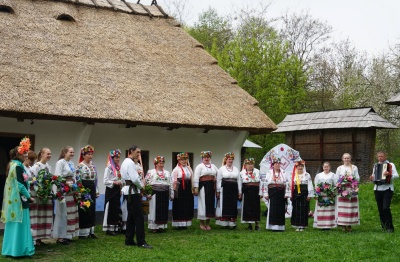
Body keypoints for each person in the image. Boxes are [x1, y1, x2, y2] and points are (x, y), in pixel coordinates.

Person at [1, 137, 35, 258]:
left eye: (26, 152)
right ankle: (19, 250)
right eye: (24, 153)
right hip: (20, 200)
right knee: (20, 224)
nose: (26, 155)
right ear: (18, 154)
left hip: (14, 200)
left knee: (13, 224)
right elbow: (19, 184)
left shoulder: (13, 164)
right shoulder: (18, 166)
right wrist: (29, 196)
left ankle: (11, 249)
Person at [121, 145, 152, 248]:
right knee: (139, 217)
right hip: (133, 192)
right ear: (131, 151)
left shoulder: (125, 162)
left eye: (139, 152)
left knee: (131, 216)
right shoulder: (130, 163)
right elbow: (134, 179)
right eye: (137, 152)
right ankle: (141, 241)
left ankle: (129, 239)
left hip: (128, 191)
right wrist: (142, 187)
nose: (139, 154)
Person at [52, 146, 79, 245]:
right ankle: (60, 236)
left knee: (70, 211)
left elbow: (74, 175)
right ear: (65, 153)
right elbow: (57, 176)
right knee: (63, 211)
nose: (72, 154)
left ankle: (68, 235)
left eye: (73, 152)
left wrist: (75, 183)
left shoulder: (71, 163)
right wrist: (66, 183)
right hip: (63, 189)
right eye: (70, 152)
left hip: (71, 189)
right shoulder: (60, 162)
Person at [369, 151, 399, 233]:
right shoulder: (375, 166)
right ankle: (384, 227)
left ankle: (390, 227)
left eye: (381, 156)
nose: (380, 158)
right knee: (380, 209)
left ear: (385, 156)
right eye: (378, 156)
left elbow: (397, 176)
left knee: (385, 208)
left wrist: (389, 174)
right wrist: (372, 179)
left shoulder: (390, 165)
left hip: (387, 189)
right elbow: (375, 178)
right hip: (377, 189)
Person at [30, 148, 53, 245]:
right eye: (48, 154)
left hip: (46, 194)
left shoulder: (48, 166)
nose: (49, 155)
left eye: (50, 154)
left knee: (43, 216)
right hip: (37, 194)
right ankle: (34, 238)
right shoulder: (36, 166)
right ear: (42, 154)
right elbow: (34, 180)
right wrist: (40, 191)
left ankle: (40, 238)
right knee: (37, 215)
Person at [76, 145, 98, 239]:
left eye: (91, 154)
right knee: (84, 208)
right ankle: (83, 232)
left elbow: (95, 179)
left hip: (92, 187)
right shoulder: (80, 166)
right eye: (88, 154)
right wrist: (80, 190)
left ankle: (91, 231)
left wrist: (96, 190)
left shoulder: (93, 166)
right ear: (84, 155)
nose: (90, 156)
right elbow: (77, 179)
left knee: (92, 208)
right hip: (84, 188)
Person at [145, 156, 172, 233]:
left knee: (163, 209)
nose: (161, 164)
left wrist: (171, 193)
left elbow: (170, 183)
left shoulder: (167, 173)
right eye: (160, 163)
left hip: (164, 193)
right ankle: (154, 227)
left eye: (162, 163)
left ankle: (161, 226)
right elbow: (147, 183)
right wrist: (148, 193)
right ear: (156, 164)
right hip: (154, 193)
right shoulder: (151, 172)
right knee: (154, 209)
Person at [193, 151, 218, 230]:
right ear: (202, 158)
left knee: (210, 204)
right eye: (205, 157)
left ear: (210, 158)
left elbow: (218, 174)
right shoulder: (199, 166)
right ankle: (201, 223)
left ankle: (207, 223)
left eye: (208, 157)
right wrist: (196, 188)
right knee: (203, 204)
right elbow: (196, 177)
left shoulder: (213, 166)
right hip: (203, 187)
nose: (206, 158)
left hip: (211, 187)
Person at [216, 152, 241, 229]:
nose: (230, 161)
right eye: (229, 159)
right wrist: (218, 191)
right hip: (225, 190)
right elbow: (218, 180)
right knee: (225, 205)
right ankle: (224, 223)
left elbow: (239, 181)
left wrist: (239, 192)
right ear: (226, 160)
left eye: (231, 159)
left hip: (234, 190)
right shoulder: (221, 169)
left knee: (233, 206)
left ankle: (232, 223)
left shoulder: (236, 169)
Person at [335, 153, 360, 232]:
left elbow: (357, 178)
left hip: (351, 188)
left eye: (348, 158)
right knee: (342, 207)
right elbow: (336, 179)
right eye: (345, 158)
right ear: (342, 159)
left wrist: (351, 180)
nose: (346, 159)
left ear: (350, 159)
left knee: (350, 207)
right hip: (342, 188)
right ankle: (343, 224)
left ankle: (349, 224)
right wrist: (341, 182)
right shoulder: (339, 168)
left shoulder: (354, 167)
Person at [264, 159, 290, 231]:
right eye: (276, 164)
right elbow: (265, 183)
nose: (277, 165)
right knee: (273, 209)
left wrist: (287, 193)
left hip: (281, 193)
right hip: (272, 192)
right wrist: (265, 193)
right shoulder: (269, 173)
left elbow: (287, 183)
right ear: (273, 165)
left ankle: (280, 227)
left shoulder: (284, 172)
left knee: (280, 209)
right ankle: (272, 227)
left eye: (279, 164)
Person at [171, 152, 194, 229]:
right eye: (182, 160)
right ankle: (179, 224)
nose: (184, 161)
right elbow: (173, 180)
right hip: (179, 189)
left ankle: (186, 222)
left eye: (185, 159)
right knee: (179, 205)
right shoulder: (176, 169)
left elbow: (192, 178)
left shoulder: (189, 168)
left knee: (187, 205)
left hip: (187, 189)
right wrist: (174, 190)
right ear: (179, 161)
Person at [103, 149, 123, 236]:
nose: (118, 159)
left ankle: (115, 227)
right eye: (116, 158)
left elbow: (121, 178)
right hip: (111, 190)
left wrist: (121, 186)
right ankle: (109, 228)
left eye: (118, 157)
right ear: (112, 158)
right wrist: (114, 182)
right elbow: (105, 180)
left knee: (116, 207)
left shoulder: (119, 168)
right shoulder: (109, 167)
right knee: (110, 208)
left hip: (117, 189)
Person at [290, 160, 313, 231]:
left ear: (303, 167)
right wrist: (290, 194)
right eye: (298, 166)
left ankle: (302, 225)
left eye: (301, 166)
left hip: (304, 193)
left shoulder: (307, 175)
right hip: (296, 193)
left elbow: (310, 185)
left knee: (303, 209)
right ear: (296, 167)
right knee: (296, 209)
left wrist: (309, 195)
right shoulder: (293, 175)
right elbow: (290, 185)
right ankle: (297, 225)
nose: (300, 167)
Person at [313, 162, 337, 230]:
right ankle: (321, 224)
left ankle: (329, 224)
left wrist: (332, 191)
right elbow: (316, 184)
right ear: (322, 167)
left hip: (329, 195)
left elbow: (335, 184)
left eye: (327, 167)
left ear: (330, 167)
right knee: (321, 209)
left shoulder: (333, 175)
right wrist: (318, 191)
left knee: (329, 209)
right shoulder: (319, 175)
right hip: (321, 195)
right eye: (325, 167)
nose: (326, 168)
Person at [240, 158, 262, 230]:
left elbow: (261, 183)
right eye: (249, 164)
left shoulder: (257, 171)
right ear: (245, 165)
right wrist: (240, 192)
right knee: (248, 207)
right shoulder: (242, 173)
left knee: (256, 207)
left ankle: (257, 224)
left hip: (255, 191)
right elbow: (240, 183)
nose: (250, 166)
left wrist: (261, 192)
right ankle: (249, 224)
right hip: (246, 191)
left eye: (252, 164)